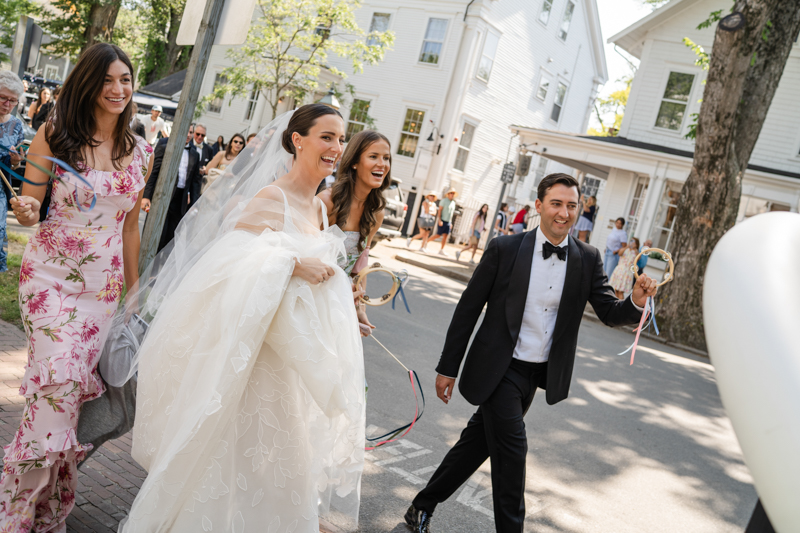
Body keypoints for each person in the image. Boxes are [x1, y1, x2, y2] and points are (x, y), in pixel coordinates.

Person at [117, 104, 365, 532]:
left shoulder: (320, 211)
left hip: (289, 366)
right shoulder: (272, 197)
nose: (336, 148)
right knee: (230, 466)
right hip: (251, 365)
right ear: (298, 139)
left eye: (341, 139)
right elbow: (224, 269)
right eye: (327, 137)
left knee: (280, 471)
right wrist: (290, 263)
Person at [403, 173, 658, 533]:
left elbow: (608, 311)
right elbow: (468, 310)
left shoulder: (587, 258)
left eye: (572, 206)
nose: (564, 213)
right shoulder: (504, 249)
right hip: (497, 369)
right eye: (556, 203)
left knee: (475, 446)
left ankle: (421, 506)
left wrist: (636, 300)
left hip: (534, 376)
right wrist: (449, 367)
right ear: (538, 206)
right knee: (512, 455)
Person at [1, 43, 153, 531]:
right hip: (50, 280)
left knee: (64, 404)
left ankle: (47, 505)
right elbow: (31, 199)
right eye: (108, 80)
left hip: (102, 292)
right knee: (58, 385)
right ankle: (17, 514)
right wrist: (25, 210)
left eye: (125, 80)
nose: (118, 89)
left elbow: (130, 227)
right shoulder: (55, 135)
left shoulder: (141, 150)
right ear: (89, 83)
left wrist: (134, 294)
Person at [319, 129, 390, 336]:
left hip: (342, 301)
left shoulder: (376, 213)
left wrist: (359, 309)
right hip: (315, 296)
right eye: (373, 156)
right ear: (354, 162)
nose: (382, 164)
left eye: (386, 158)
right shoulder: (327, 202)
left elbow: (359, 268)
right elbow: (307, 257)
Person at [142, 124, 203, 251]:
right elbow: (153, 173)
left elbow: (195, 182)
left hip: (180, 201)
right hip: (161, 197)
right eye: (186, 131)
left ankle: (161, 268)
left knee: (171, 239)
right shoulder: (164, 148)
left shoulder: (194, 154)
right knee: (155, 235)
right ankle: (146, 267)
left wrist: (194, 204)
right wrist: (146, 196)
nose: (188, 135)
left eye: (191, 132)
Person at [0, 71, 26, 273]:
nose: (7, 104)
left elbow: (15, 166)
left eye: (12, 101)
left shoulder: (17, 126)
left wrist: (16, 161)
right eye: (3, 98)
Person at [428, 188, 457, 256]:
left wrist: (451, 222)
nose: (452, 195)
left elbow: (451, 214)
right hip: (442, 220)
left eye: (453, 193)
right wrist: (439, 220)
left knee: (445, 236)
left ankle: (442, 250)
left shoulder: (453, 203)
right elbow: (440, 210)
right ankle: (426, 242)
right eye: (451, 193)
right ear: (448, 194)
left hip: (448, 222)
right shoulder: (444, 201)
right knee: (438, 235)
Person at [192, 122, 217, 192]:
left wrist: (205, 169)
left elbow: (210, 166)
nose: (200, 137)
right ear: (194, 133)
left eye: (202, 135)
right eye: (198, 134)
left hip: (199, 184)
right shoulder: (188, 144)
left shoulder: (209, 149)